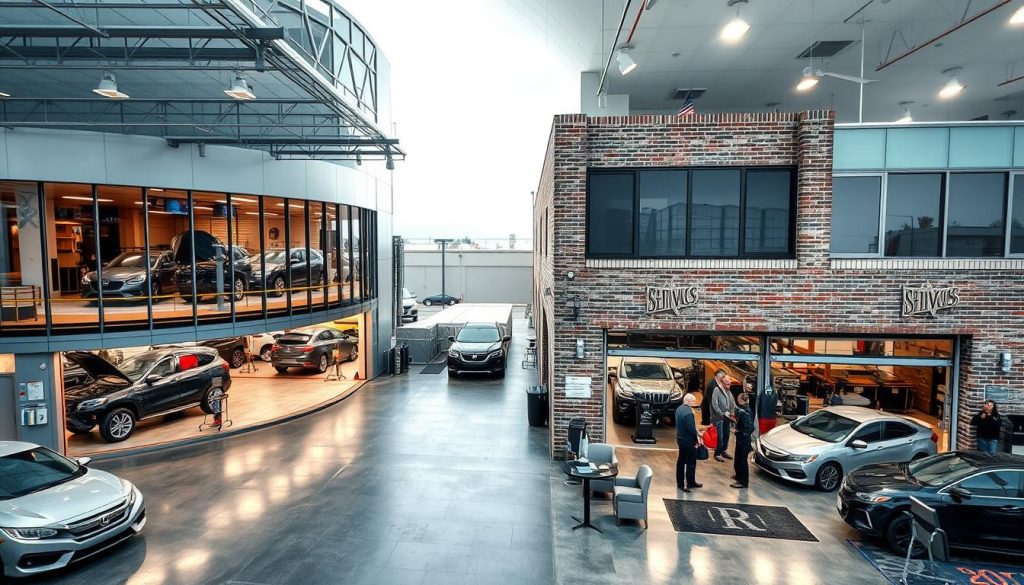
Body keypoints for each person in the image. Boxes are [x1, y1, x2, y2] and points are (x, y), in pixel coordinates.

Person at [675, 394, 703, 493]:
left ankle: (682, 482)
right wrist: (698, 435)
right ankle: (688, 483)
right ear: (688, 401)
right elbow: (691, 428)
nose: (694, 403)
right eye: (693, 401)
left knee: (681, 461)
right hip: (688, 441)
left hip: (680, 439)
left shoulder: (679, 409)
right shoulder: (689, 413)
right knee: (691, 462)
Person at [709, 369, 736, 462]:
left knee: (726, 435)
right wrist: (721, 413)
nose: (730, 385)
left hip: (727, 417)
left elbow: (732, 403)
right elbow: (714, 404)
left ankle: (724, 450)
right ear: (723, 383)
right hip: (719, 417)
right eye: (728, 384)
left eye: (730, 383)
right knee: (719, 436)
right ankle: (717, 453)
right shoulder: (717, 390)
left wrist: (733, 413)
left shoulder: (728, 391)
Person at [732, 392, 755, 489]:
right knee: (738, 458)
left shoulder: (745, 412)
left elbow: (750, 427)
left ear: (740, 400)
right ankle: (738, 476)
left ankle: (743, 482)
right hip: (741, 438)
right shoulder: (743, 410)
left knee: (742, 460)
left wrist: (739, 431)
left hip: (743, 439)